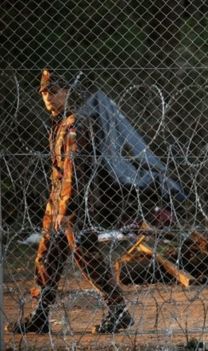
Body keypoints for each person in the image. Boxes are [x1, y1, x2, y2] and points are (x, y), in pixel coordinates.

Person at [7, 69, 133, 334]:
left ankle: (118, 310)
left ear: (66, 92)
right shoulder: (59, 123)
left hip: (74, 204)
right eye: (43, 92)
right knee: (46, 258)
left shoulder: (76, 125)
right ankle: (40, 313)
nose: (48, 97)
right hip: (57, 203)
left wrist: (66, 209)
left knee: (86, 257)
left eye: (53, 91)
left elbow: (75, 171)